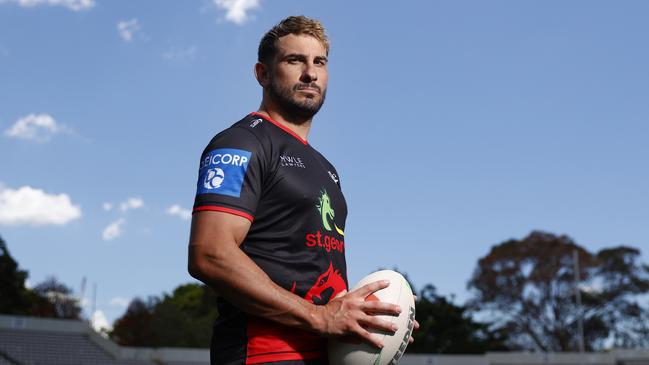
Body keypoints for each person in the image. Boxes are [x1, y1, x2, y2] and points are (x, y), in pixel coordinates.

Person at [188, 16, 412, 365]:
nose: (310, 73)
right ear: (262, 73)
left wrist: (377, 322)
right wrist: (319, 318)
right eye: (295, 60)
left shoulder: (326, 169)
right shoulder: (242, 142)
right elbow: (210, 254)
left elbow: (316, 275)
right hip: (262, 355)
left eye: (319, 62)